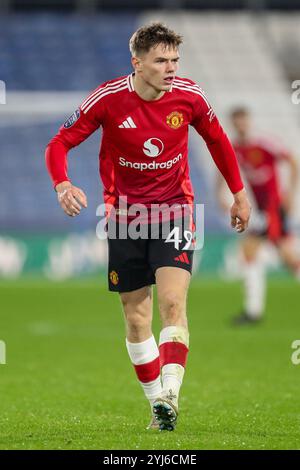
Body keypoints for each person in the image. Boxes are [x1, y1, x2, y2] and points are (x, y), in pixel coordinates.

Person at [45, 23, 250, 431]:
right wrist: (62, 183)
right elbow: (59, 143)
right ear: (137, 63)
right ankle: (159, 405)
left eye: (175, 60)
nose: (171, 68)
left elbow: (217, 139)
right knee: (137, 318)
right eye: (161, 61)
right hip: (124, 218)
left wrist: (239, 193)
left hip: (176, 210)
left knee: (173, 304)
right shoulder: (107, 99)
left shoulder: (190, 96)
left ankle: (171, 393)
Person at [217, 107, 299, 325]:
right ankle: (253, 311)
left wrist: (290, 194)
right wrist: (219, 194)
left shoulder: (263, 143)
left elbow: (292, 162)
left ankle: (253, 312)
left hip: (273, 207)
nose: (240, 125)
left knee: (280, 256)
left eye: (243, 120)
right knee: (272, 255)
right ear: (233, 123)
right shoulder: (234, 148)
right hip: (261, 210)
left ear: (248, 121)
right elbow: (222, 167)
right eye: (237, 122)